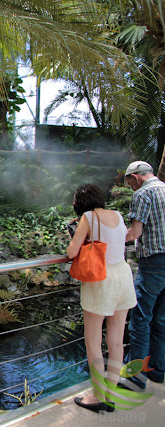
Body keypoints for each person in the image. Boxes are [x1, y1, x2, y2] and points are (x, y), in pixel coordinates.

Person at [66, 184, 137, 413]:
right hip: (123, 275)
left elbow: (71, 252)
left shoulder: (88, 217)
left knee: (93, 340)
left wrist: (76, 235)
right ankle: (110, 393)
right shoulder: (117, 215)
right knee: (116, 340)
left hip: (101, 279)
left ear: (81, 202)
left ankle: (97, 396)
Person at [124, 160, 165, 388]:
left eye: (130, 182)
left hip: (154, 262)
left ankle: (134, 378)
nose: (131, 187)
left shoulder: (142, 194)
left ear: (135, 177)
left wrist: (116, 236)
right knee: (161, 319)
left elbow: (135, 233)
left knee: (140, 319)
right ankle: (158, 371)